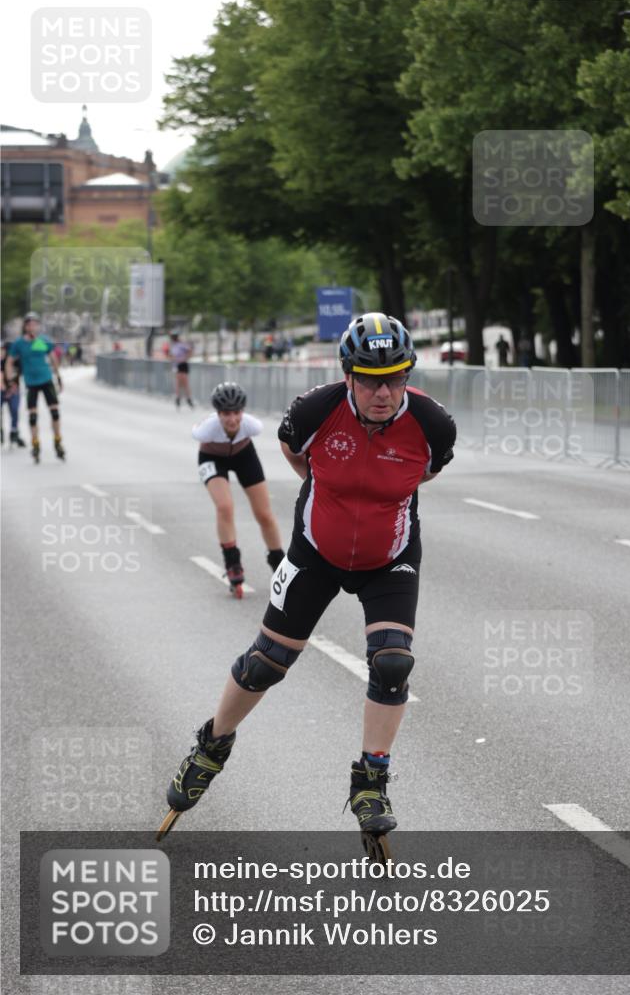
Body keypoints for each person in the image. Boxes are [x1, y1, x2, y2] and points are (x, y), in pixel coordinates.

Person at [159, 313, 457, 856]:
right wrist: (335, 495)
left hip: (389, 557)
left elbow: (426, 473)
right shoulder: (313, 412)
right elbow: (298, 456)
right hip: (315, 553)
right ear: (348, 376)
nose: (383, 391)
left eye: (394, 377)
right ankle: (211, 746)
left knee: (392, 662)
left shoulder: (433, 426)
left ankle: (371, 780)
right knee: (266, 662)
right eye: (369, 378)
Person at [193, 381, 285, 597]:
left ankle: (279, 564)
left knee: (264, 513)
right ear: (218, 413)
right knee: (225, 507)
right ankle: (232, 562)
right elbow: (196, 436)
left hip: (244, 455)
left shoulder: (253, 426)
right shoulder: (205, 430)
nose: (232, 419)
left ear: (243, 411)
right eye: (226, 413)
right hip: (213, 458)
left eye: (236, 413)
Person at [5, 314, 64, 463]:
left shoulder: (43, 341)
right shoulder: (19, 344)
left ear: (38, 326)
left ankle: (57, 441)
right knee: (32, 416)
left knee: (55, 412)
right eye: (30, 324)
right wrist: (10, 379)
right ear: (25, 327)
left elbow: (53, 358)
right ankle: (35, 444)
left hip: (46, 380)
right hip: (31, 382)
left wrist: (58, 377)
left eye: (35, 324)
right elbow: (9, 362)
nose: (32, 327)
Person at [1, 340, 27, 448]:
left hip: (14, 390)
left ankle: (14, 432)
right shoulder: (1, 361)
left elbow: (21, 374)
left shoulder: (18, 361)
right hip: (2, 389)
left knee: (14, 410)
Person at [170, 331, 194, 408]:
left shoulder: (181, 345)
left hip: (182, 364)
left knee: (185, 383)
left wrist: (184, 358)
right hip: (176, 365)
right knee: (178, 383)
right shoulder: (173, 345)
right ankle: (178, 398)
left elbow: (190, 350)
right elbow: (172, 356)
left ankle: (188, 398)